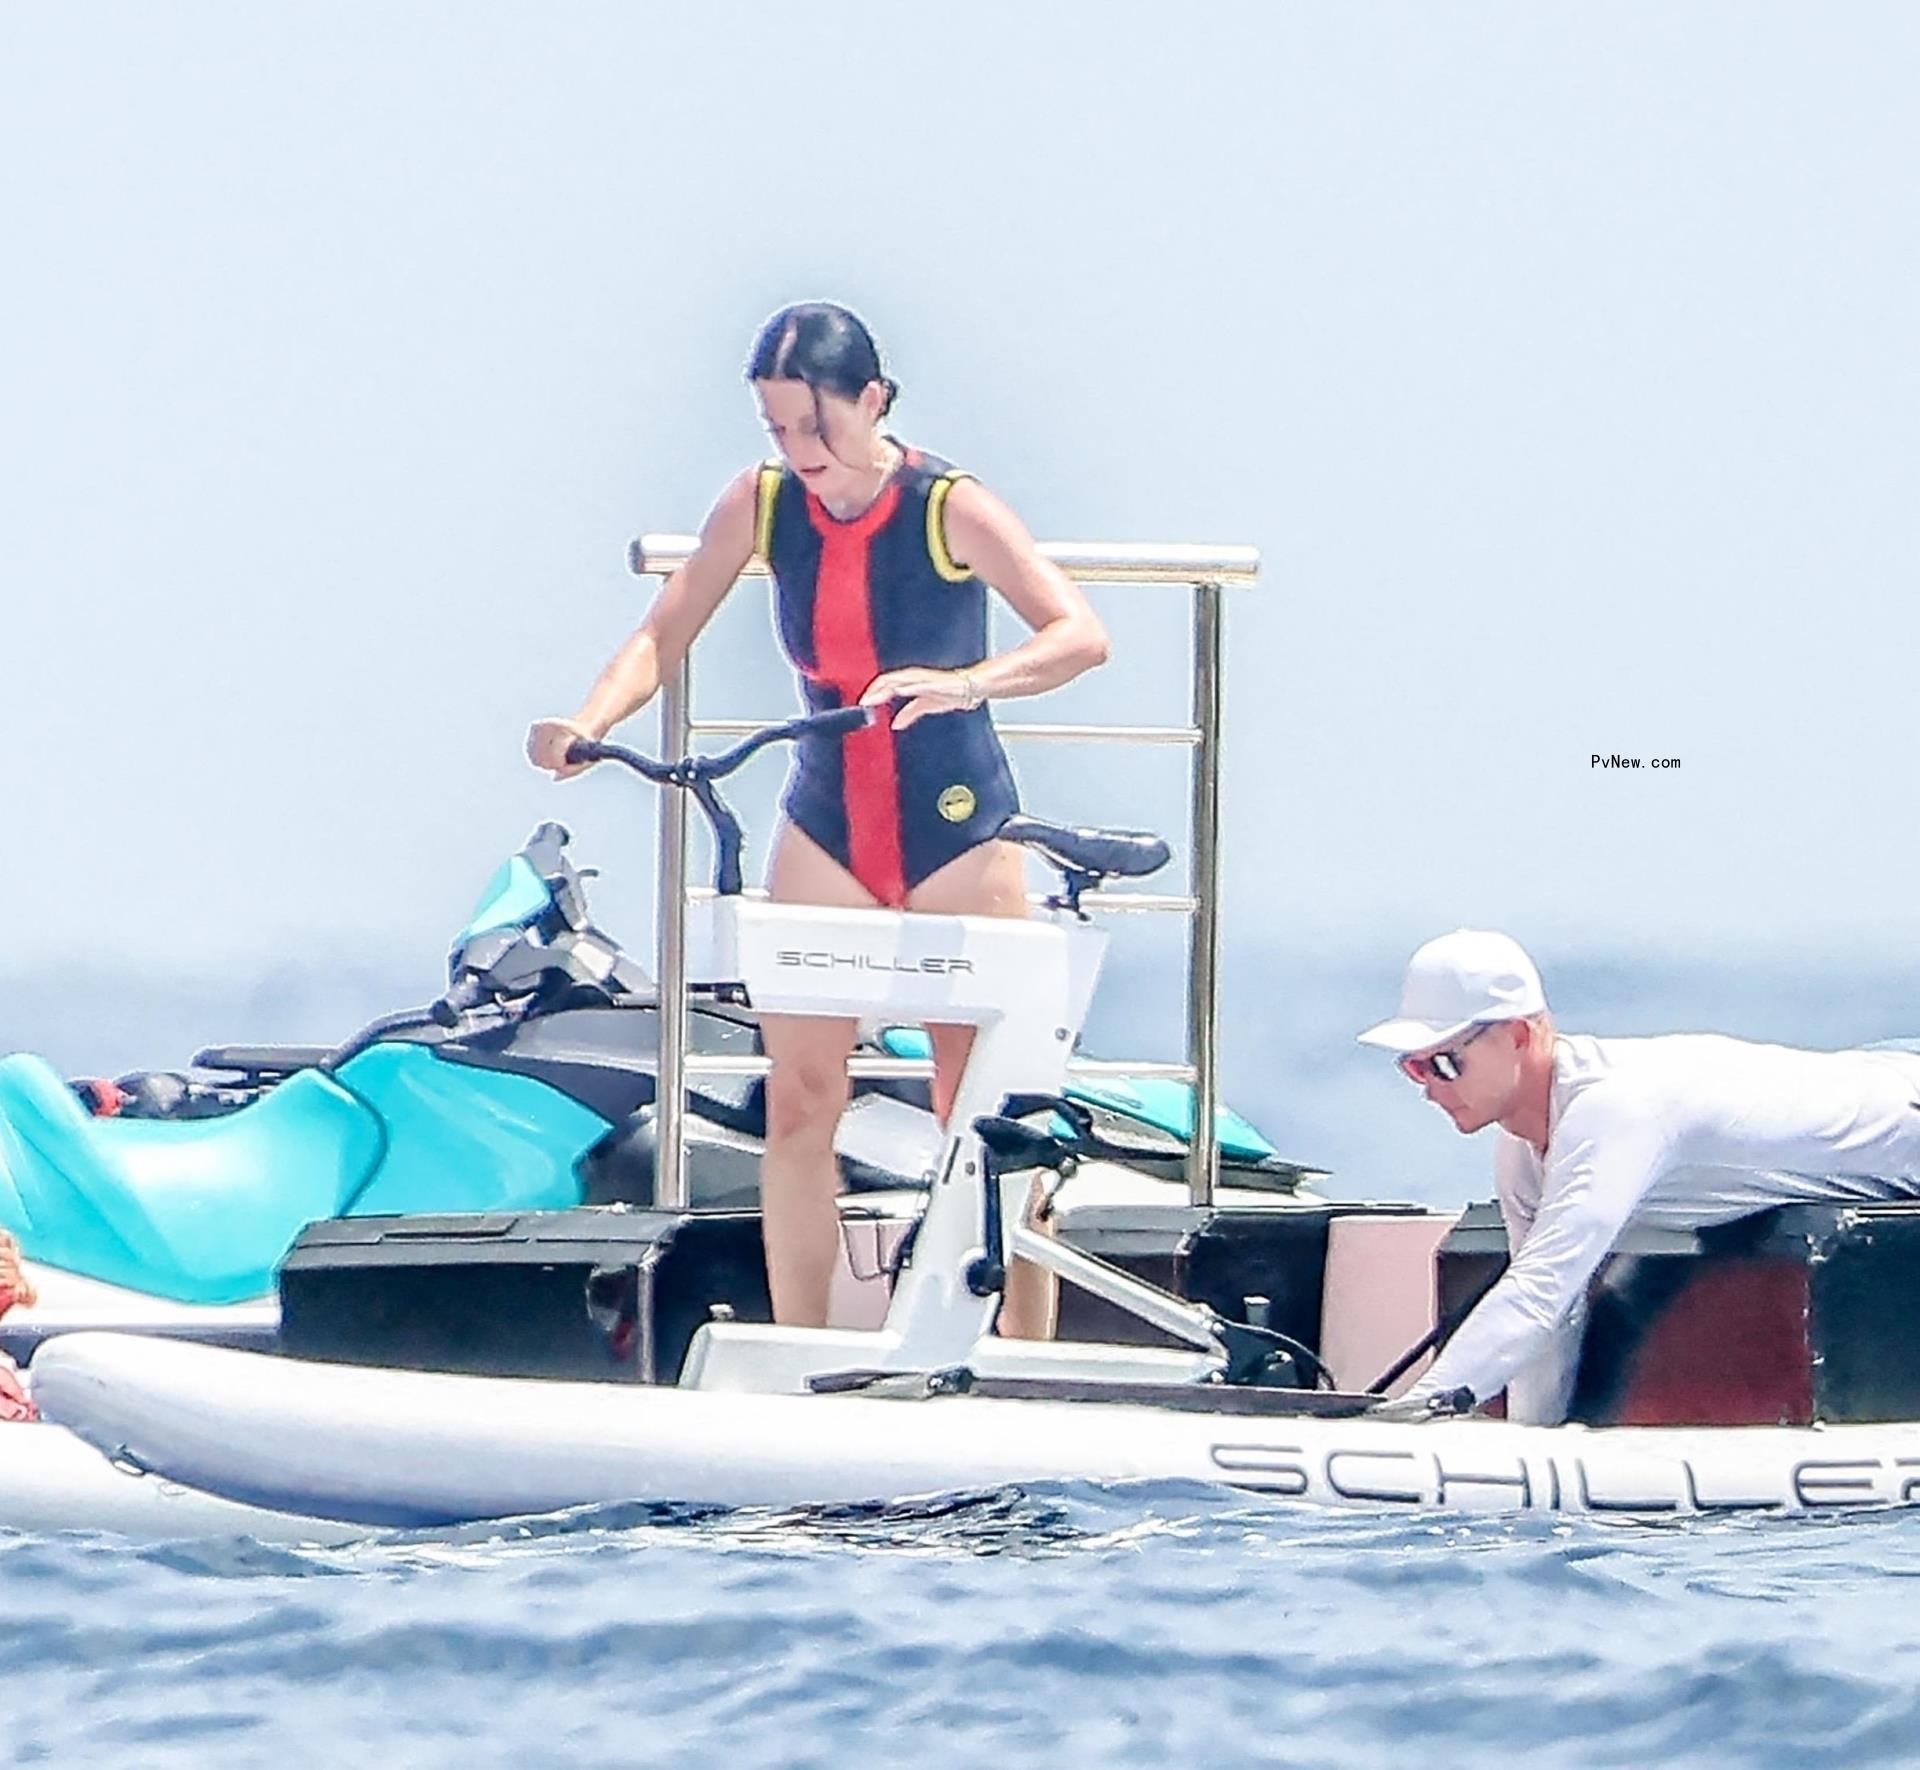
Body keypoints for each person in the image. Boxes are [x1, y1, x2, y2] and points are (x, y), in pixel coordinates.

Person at [529, 302, 1109, 1334]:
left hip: (958, 824)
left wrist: (969, 684)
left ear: (872, 401)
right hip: (828, 818)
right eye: (778, 429)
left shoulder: (949, 504)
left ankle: (1024, 1356)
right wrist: (586, 722)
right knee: (800, 1101)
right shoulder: (758, 504)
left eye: (816, 426)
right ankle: (804, 1353)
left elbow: (1077, 635)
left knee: (983, 1112)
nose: (801, 453)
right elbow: (666, 629)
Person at [1356, 928, 1920, 1423]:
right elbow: (1554, 1313)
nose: (1429, 1086)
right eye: (1413, 1067)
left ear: (1521, 1037)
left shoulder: (1614, 1112)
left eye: (1445, 1063)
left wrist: (1421, 1407)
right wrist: (1528, 1442)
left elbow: (1539, 1295)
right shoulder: (1521, 1152)